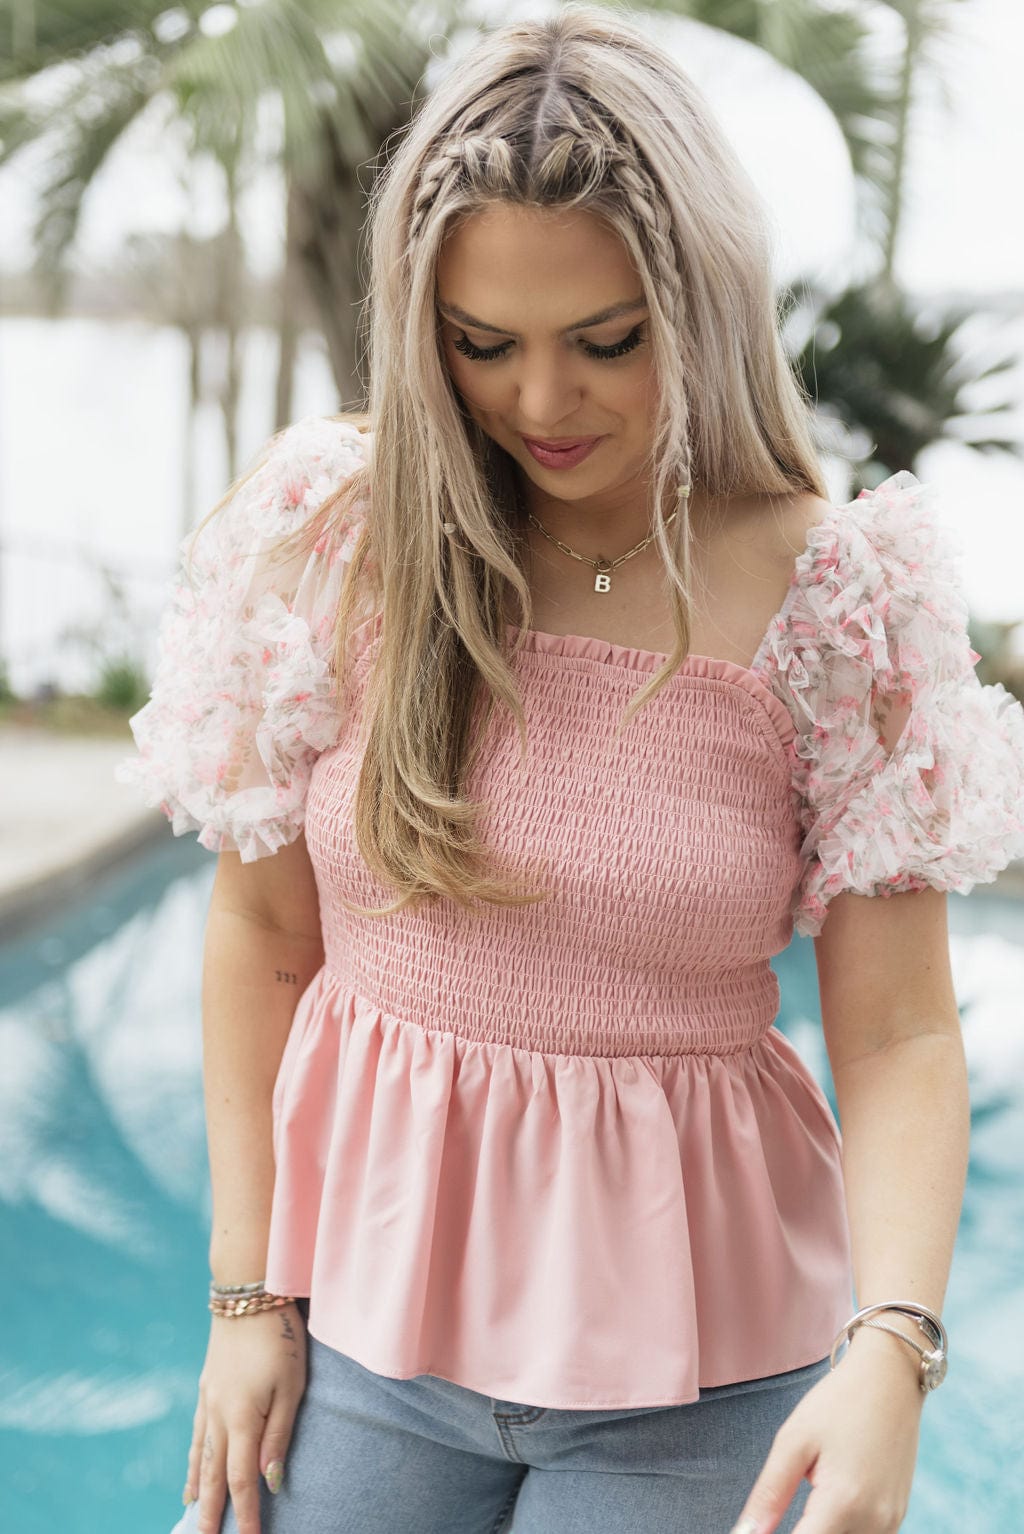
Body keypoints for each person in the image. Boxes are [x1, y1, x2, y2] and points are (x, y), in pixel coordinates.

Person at [116, 7, 1024, 1534]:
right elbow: (264, 937)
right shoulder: (336, 539)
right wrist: (245, 1294)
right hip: (359, 1335)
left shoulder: (838, 597)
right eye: (484, 344)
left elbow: (899, 1035)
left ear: (703, 308)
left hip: (701, 1386)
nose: (542, 404)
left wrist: (893, 1349)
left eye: (607, 341)